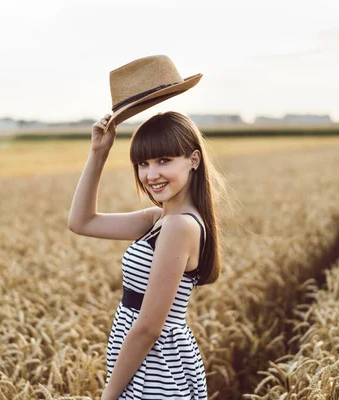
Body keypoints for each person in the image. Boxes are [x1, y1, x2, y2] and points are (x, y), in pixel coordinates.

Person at [67, 109, 227, 399]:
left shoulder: (179, 226)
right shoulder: (159, 220)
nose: (151, 175)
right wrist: (99, 152)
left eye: (164, 160)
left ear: (194, 160)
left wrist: (109, 394)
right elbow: (82, 222)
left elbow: (149, 326)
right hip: (144, 364)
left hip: (156, 370)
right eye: (143, 164)